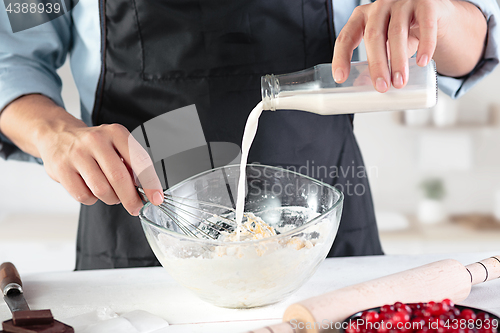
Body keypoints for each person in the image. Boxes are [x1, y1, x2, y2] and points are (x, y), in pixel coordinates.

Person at [0, 0, 498, 269]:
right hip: (139, 231)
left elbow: (468, 44)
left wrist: (443, 15)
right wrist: (54, 133)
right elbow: (12, 51)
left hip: (324, 240)